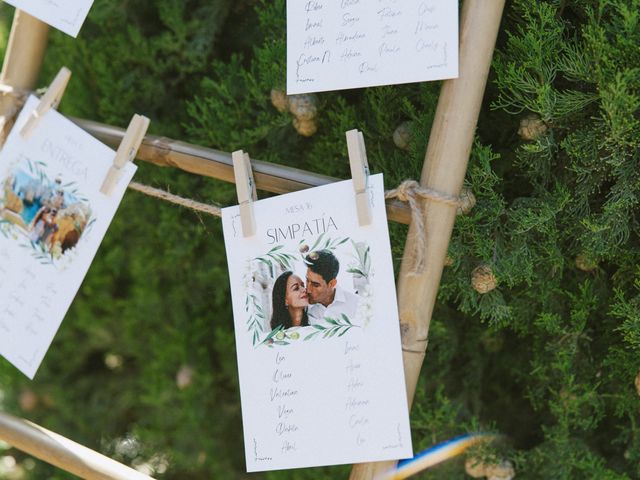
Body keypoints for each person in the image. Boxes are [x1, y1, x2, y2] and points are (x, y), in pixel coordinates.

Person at [305, 249, 359, 325]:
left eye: (315, 285)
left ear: (332, 283)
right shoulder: (303, 307)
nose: (308, 290)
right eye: (307, 280)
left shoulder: (356, 305)